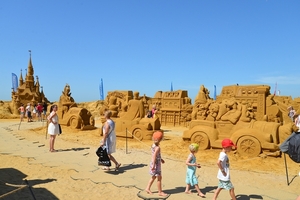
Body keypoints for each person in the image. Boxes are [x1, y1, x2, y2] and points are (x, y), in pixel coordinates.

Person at [145, 131, 167, 196]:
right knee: (159, 178)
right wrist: (154, 164)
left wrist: (161, 159)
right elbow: (154, 155)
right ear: (160, 140)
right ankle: (160, 192)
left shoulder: (153, 145)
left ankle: (147, 188)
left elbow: (156, 155)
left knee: (154, 177)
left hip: (155, 162)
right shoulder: (157, 148)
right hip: (156, 164)